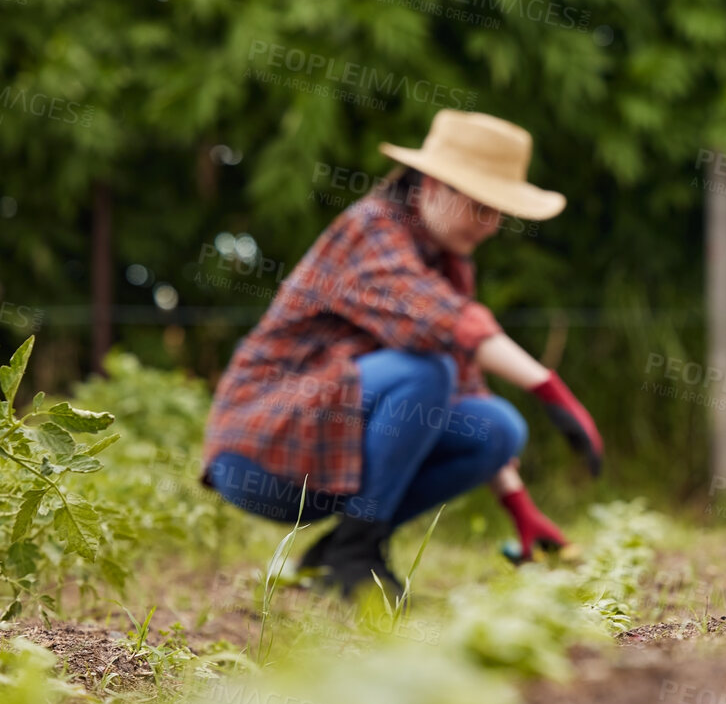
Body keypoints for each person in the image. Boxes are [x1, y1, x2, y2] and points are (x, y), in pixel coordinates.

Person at [200, 110, 604, 598]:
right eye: (481, 206)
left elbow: (466, 384)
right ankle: (354, 555)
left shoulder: (447, 264)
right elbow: (445, 320)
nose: (493, 226)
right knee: (425, 371)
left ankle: (343, 554)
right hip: (261, 453)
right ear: (433, 185)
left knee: (497, 428)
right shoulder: (371, 228)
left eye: (499, 212)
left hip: (332, 449)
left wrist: (521, 510)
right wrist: (549, 388)